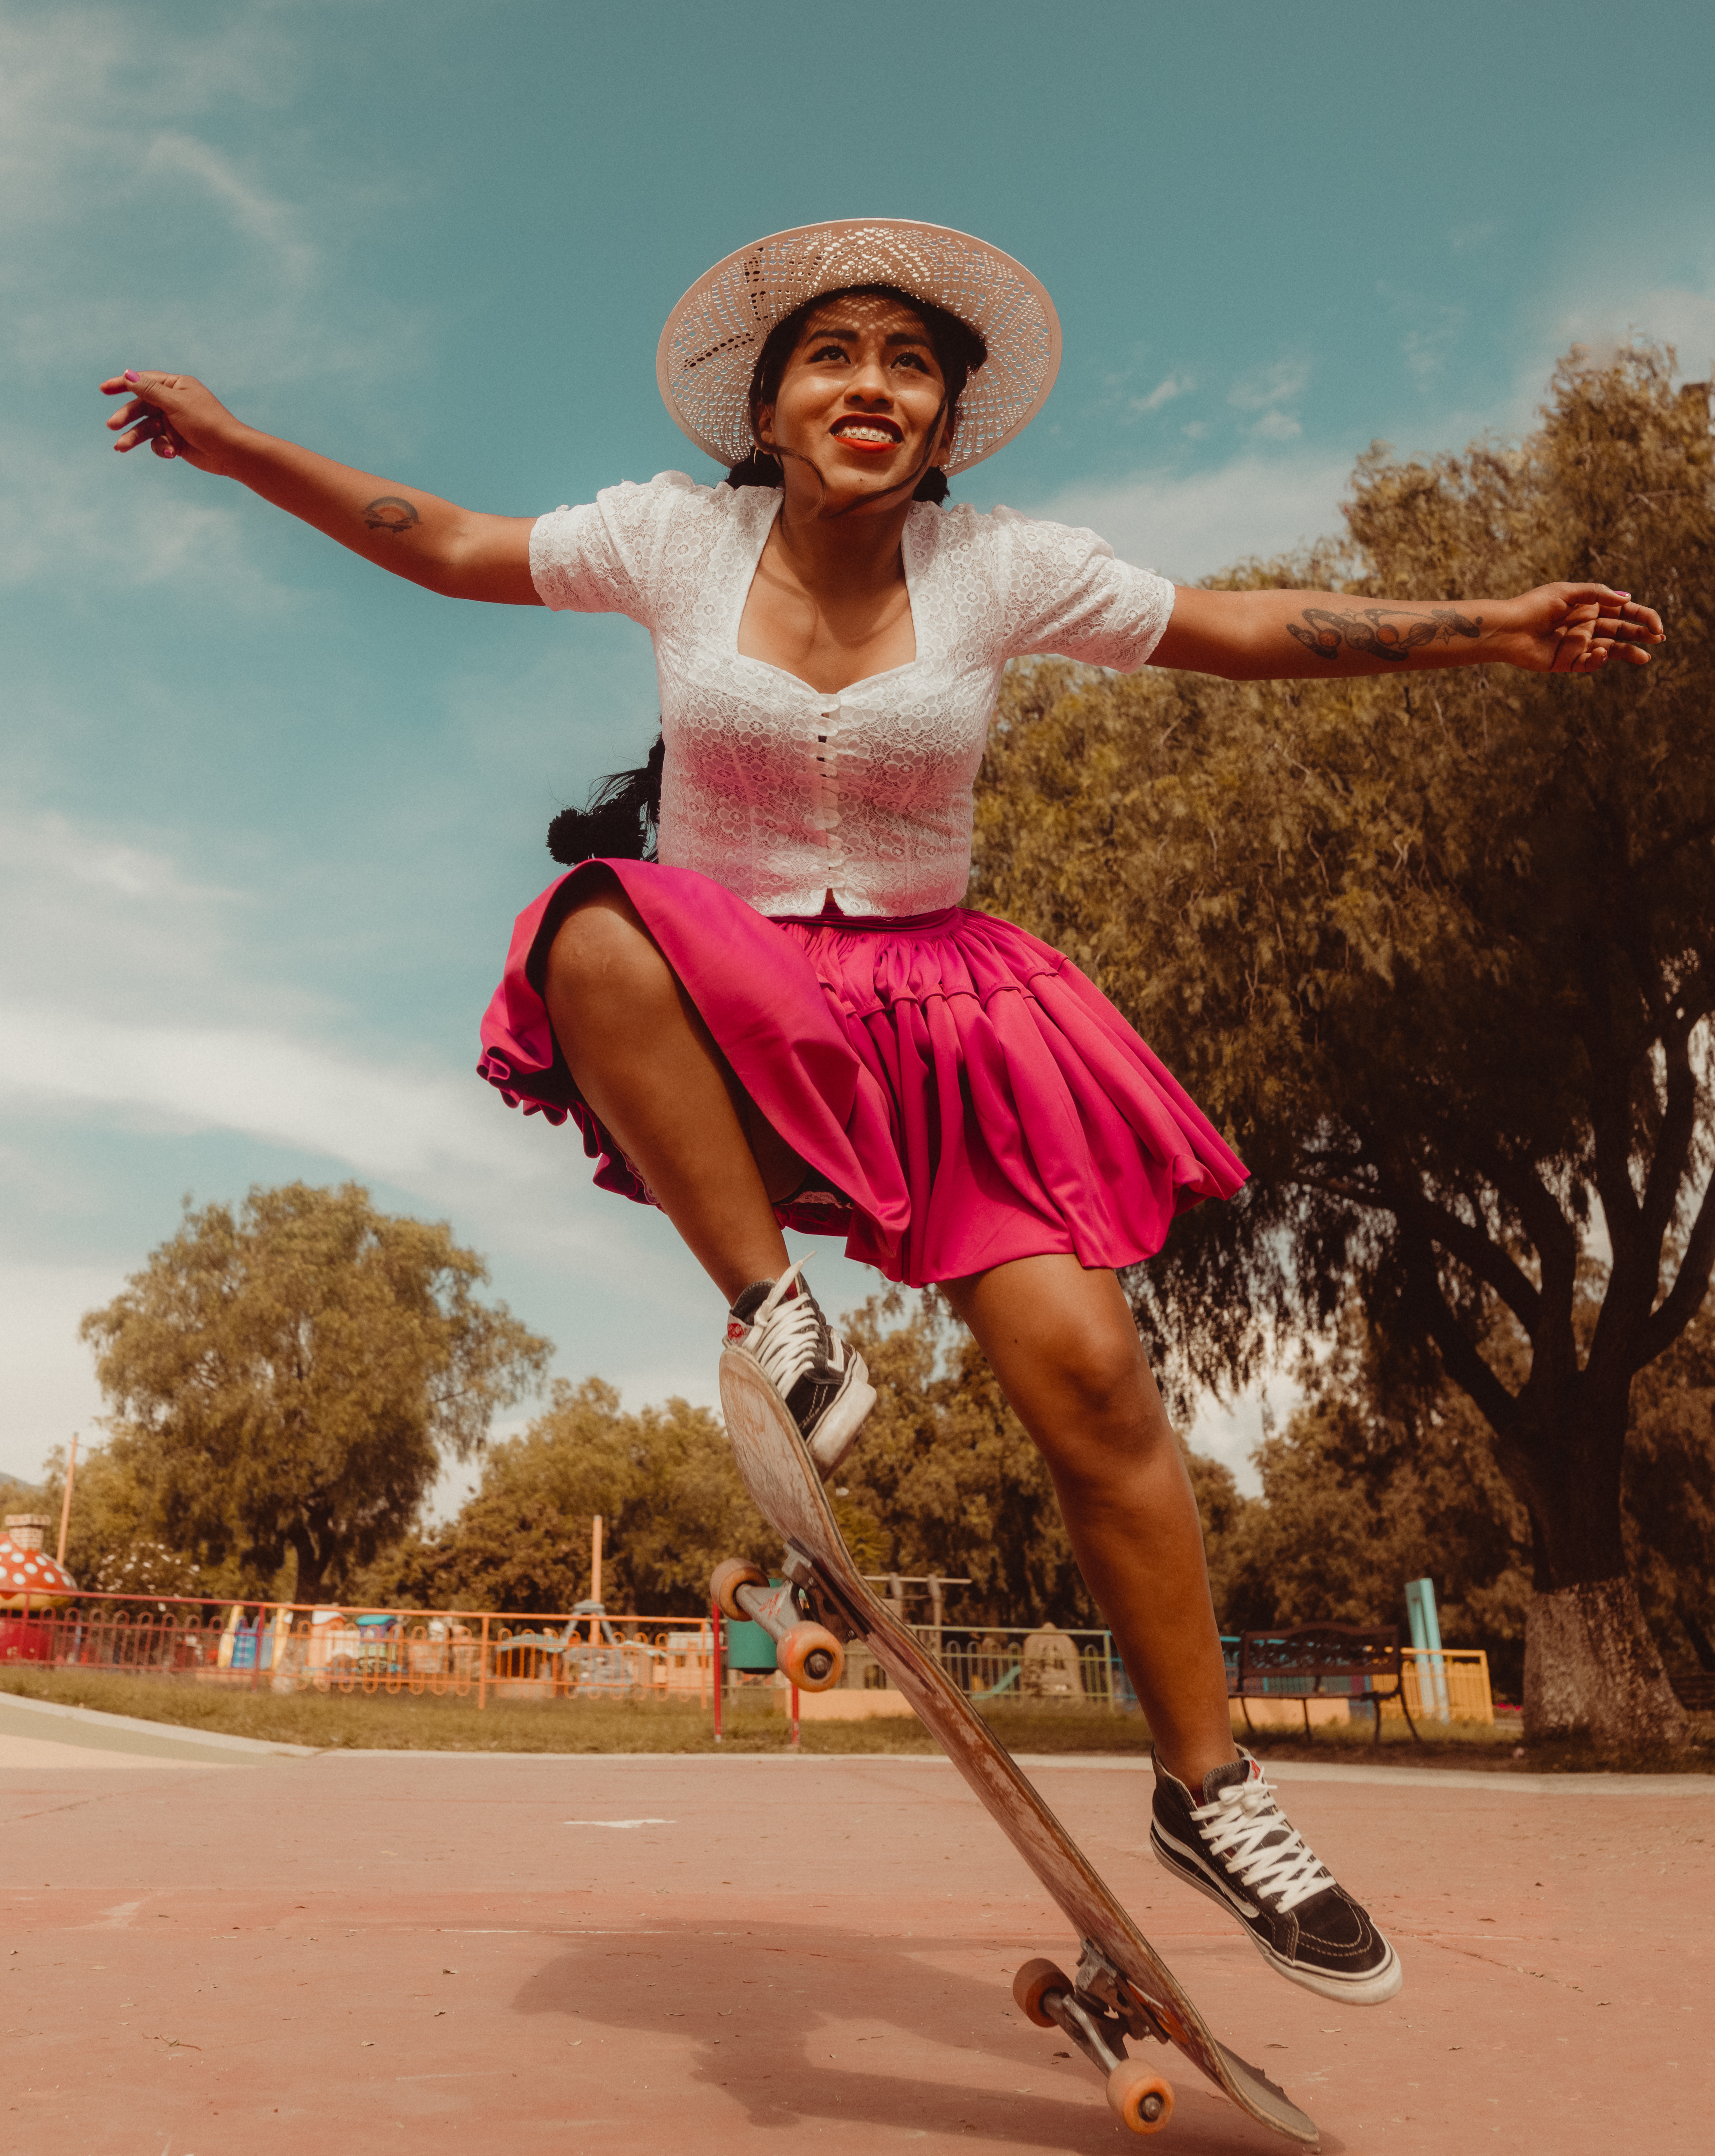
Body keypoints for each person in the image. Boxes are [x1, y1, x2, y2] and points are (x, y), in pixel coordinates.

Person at [101, 219, 1662, 2006]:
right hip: (728, 1001)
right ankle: (778, 1310)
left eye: (909, 363)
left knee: (1092, 1381)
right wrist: (233, 445)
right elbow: (445, 542)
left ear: (945, 419)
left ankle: (1212, 1790)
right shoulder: (670, 540)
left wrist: (1491, 630)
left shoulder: (1002, 569)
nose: (873, 384)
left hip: (949, 1015)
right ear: (767, 409)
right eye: (833, 355)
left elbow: (1242, 631)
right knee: (589, 925)